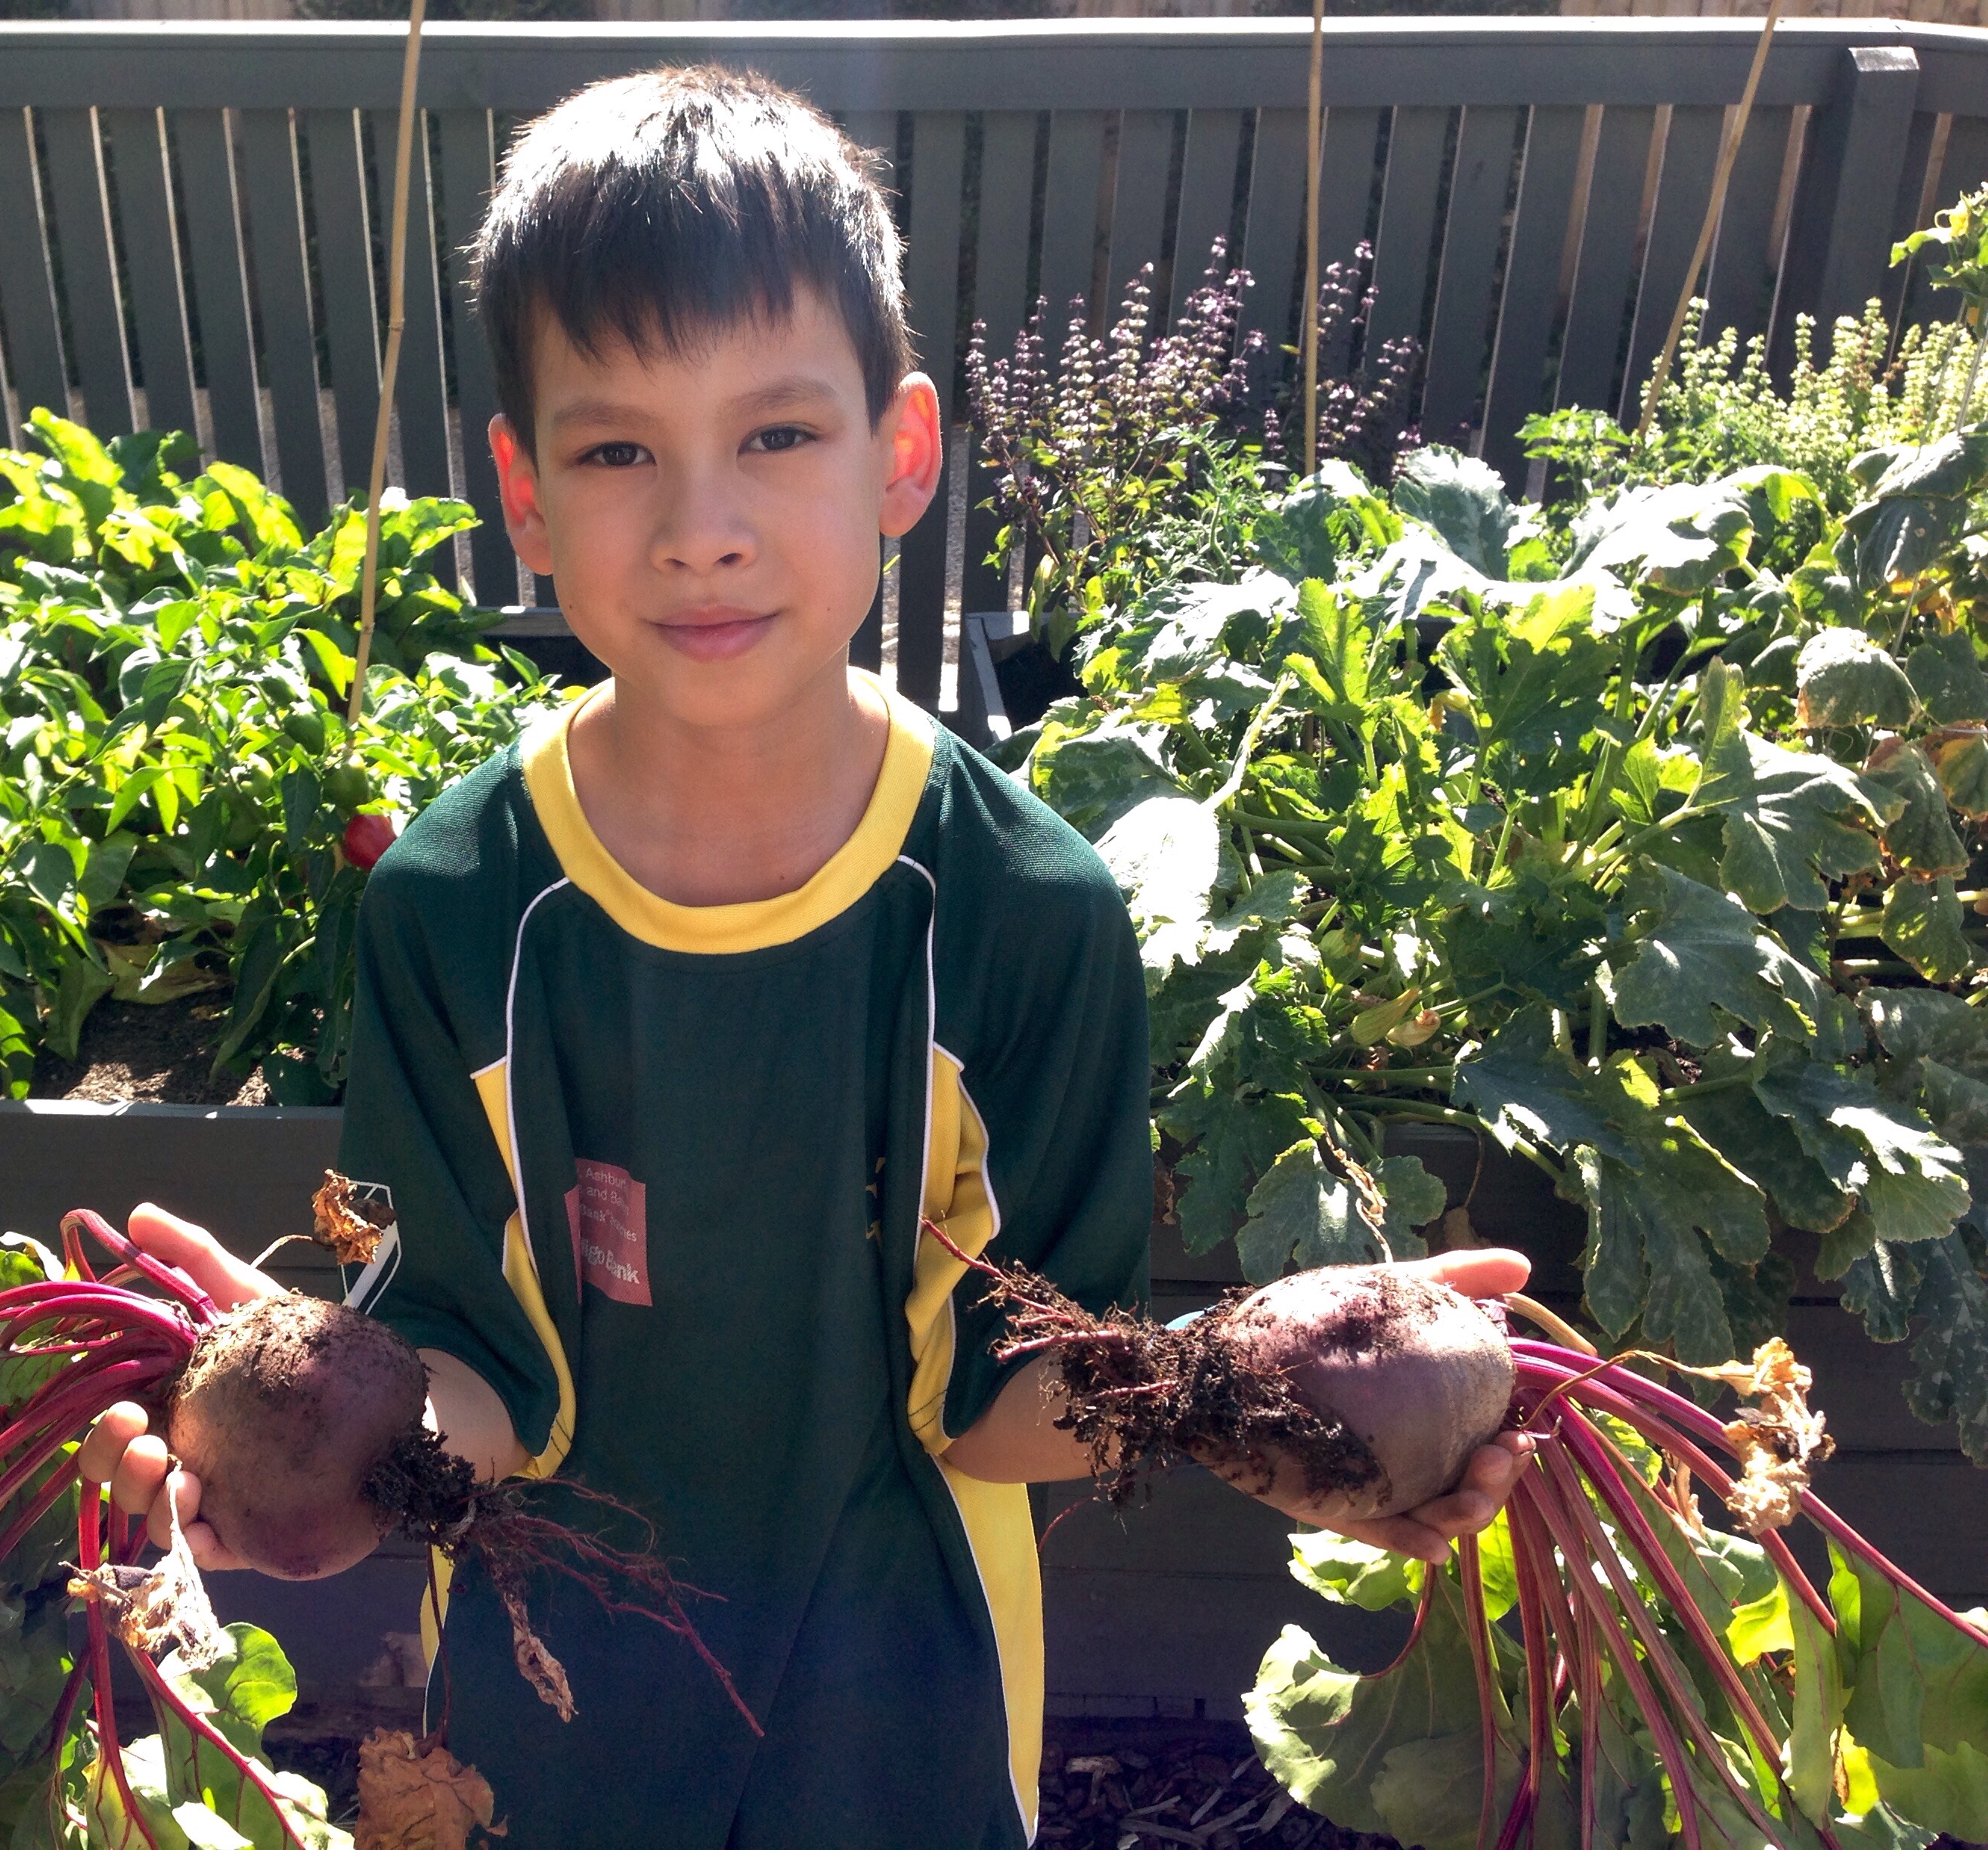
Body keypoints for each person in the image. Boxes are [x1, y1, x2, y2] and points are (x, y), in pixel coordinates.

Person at [77, 66, 1534, 1849]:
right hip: (545, 1717)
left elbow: (1009, 1399)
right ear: (525, 499)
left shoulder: (1025, 909)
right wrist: (301, 1431)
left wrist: (1247, 1402)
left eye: (775, 435)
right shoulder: (451, 904)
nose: (703, 524)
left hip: (905, 1716)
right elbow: (472, 1376)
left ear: (899, 454)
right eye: (619, 450)